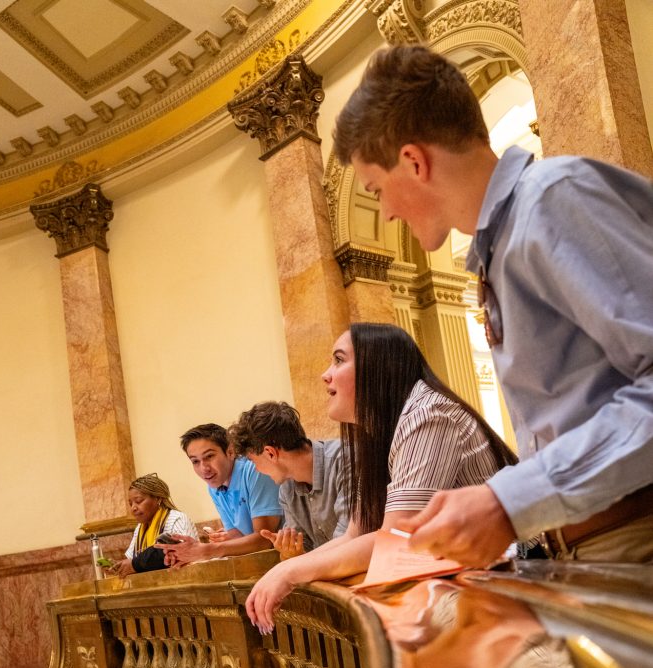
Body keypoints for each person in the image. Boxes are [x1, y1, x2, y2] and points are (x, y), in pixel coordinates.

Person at [333, 45, 653, 566]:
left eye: (377, 189)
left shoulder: (553, 198)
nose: (386, 213)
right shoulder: (498, 251)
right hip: (593, 544)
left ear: (413, 162)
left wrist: (509, 501)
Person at [246, 322, 515, 630]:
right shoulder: (378, 435)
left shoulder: (428, 414)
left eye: (339, 359)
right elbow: (355, 534)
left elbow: (398, 539)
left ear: (377, 366)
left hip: (520, 572)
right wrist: (289, 568)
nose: (325, 374)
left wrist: (290, 572)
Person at [229, 401, 349, 559]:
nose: (257, 469)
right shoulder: (286, 489)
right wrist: (290, 553)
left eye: (253, 461)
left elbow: (348, 544)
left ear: (270, 453)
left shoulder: (346, 460)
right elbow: (300, 550)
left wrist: (297, 564)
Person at [159, 423, 282, 565]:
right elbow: (238, 535)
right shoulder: (215, 486)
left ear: (230, 452)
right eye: (195, 461)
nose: (204, 468)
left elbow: (264, 539)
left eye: (209, 456)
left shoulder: (254, 470)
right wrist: (187, 552)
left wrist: (207, 550)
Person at [112, 473, 198, 577]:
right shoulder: (140, 528)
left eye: (138, 501)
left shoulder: (176, 518)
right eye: (131, 504)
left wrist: (135, 564)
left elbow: (178, 552)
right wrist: (118, 567)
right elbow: (132, 560)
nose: (133, 508)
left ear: (158, 498)